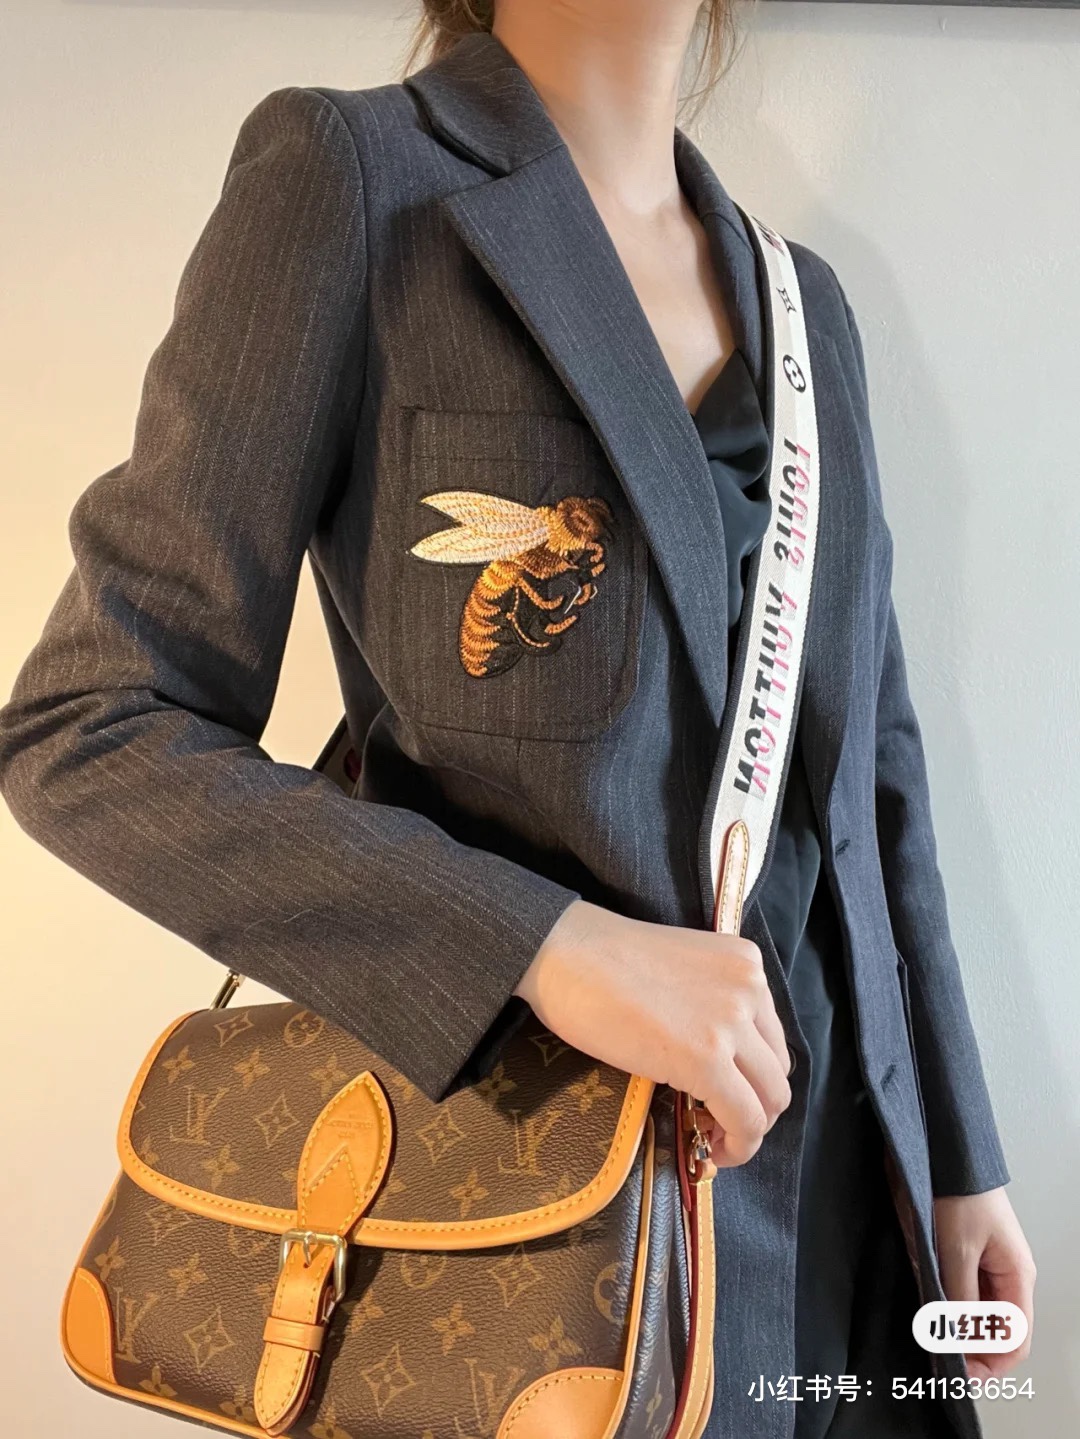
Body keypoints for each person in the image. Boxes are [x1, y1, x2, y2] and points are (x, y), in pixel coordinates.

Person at [0, 3, 1035, 1436]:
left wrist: (957, 1156)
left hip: (851, 1206)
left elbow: (872, 774)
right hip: (542, 1239)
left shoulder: (808, 308)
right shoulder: (354, 180)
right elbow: (90, 723)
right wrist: (544, 946)